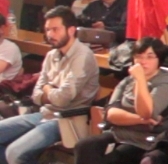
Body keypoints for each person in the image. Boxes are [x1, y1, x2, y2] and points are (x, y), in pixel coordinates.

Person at [0, 8, 99, 164]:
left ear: (71, 30)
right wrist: (51, 92)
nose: (50, 34)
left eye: (55, 29)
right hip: (44, 113)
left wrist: (47, 88)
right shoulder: (52, 55)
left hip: (68, 120)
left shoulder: (83, 56)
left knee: (15, 152)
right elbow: (36, 96)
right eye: (47, 30)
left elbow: (63, 99)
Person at [73, 38, 168, 164]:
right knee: (85, 146)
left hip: (147, 140)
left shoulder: (165, 82)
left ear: (159, 59)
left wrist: (140, 79)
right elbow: (110, 113)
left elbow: (147, 112)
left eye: (150, 57)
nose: (143, 61)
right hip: (119, 134)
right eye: (139, 56)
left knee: (114, 158)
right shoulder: (128, 80)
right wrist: (139, 120)